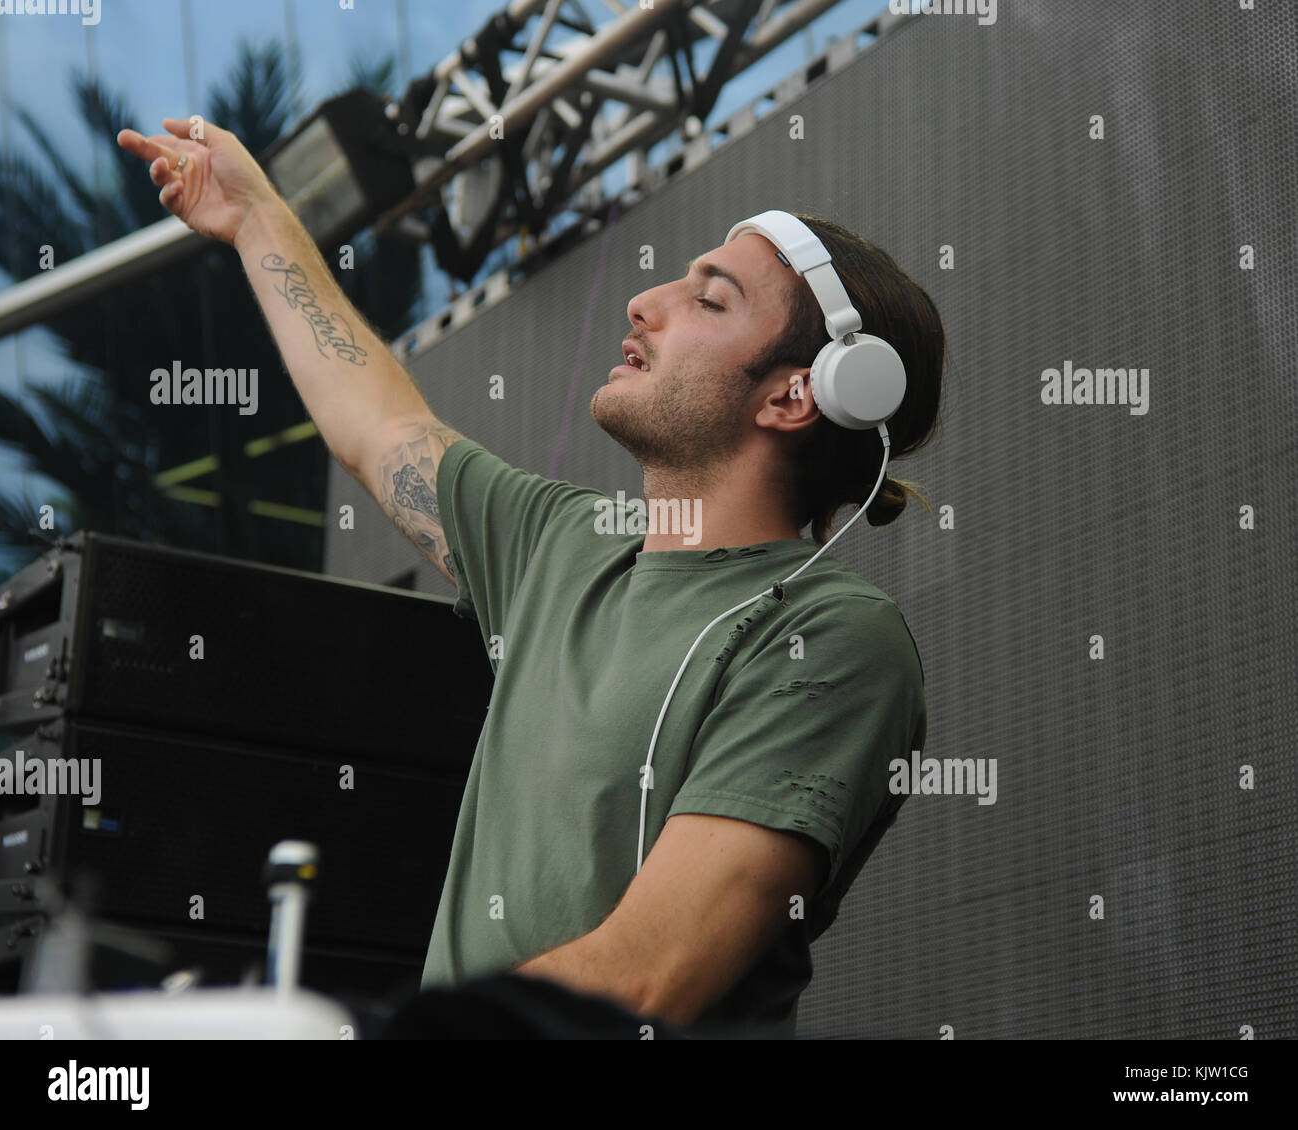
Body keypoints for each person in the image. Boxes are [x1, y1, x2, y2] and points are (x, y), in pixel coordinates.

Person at [118, 119, 944, 1038]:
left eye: (709, 302)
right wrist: (258, 217)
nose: (645, 302)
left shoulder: (831, 636)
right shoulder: (566, 544)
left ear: (795, 395)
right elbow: (379, 428)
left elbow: (645, 980)